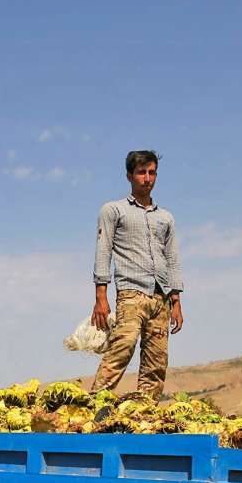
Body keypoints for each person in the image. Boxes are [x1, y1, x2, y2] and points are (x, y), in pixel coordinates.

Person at [89, 150, 183, 399]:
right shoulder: (113, 210)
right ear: (130, 176)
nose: (147, 178)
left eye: (152, 172)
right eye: (141, 172)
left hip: (160, 296)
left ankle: (145, 414)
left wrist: (176, 301)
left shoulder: (166, 218)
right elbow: (103, 250)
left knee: (156, 360)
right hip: (131, 292)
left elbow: (172, 258)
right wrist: (101, 297)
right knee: (123, 345)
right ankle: (94, 403)